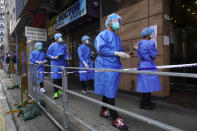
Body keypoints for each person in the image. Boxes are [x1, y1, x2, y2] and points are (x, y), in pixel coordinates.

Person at [94, 13, 130, 130]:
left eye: (119, 22)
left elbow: (118, 50)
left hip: (114, 65)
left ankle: (103, 110)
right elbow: (101, 49)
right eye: (115, 21)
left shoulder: (117, 37)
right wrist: (116, 53)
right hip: (105, 65)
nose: (117, 23)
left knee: (109, 89)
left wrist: (122, 54)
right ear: (109, 21)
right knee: (109, 89)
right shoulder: (102, 34)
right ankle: (115, 118)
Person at [137, 27, 161, 110]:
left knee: (145, 85)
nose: (152, 35)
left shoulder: (140, 43)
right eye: (151, 33)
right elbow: (154, 54)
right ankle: (145, 104)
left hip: (142, 65)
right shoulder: (150, 43)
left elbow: (140, 55)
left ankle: (145, 102)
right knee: (148, 85)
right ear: (148, 35)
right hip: (149, 65)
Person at [47, 33, 69, 99]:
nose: (60, 38)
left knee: (61, 77)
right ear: (56, 39)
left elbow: (66, 53)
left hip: (63, 63)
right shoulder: (52, 46)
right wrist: (53, 57)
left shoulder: (64, 45)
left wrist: (67, 57)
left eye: (61, 37)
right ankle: (55, 92)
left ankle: (59, 89)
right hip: (55, 63)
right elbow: (48, 54)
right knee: (55, 78)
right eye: (59, 37)